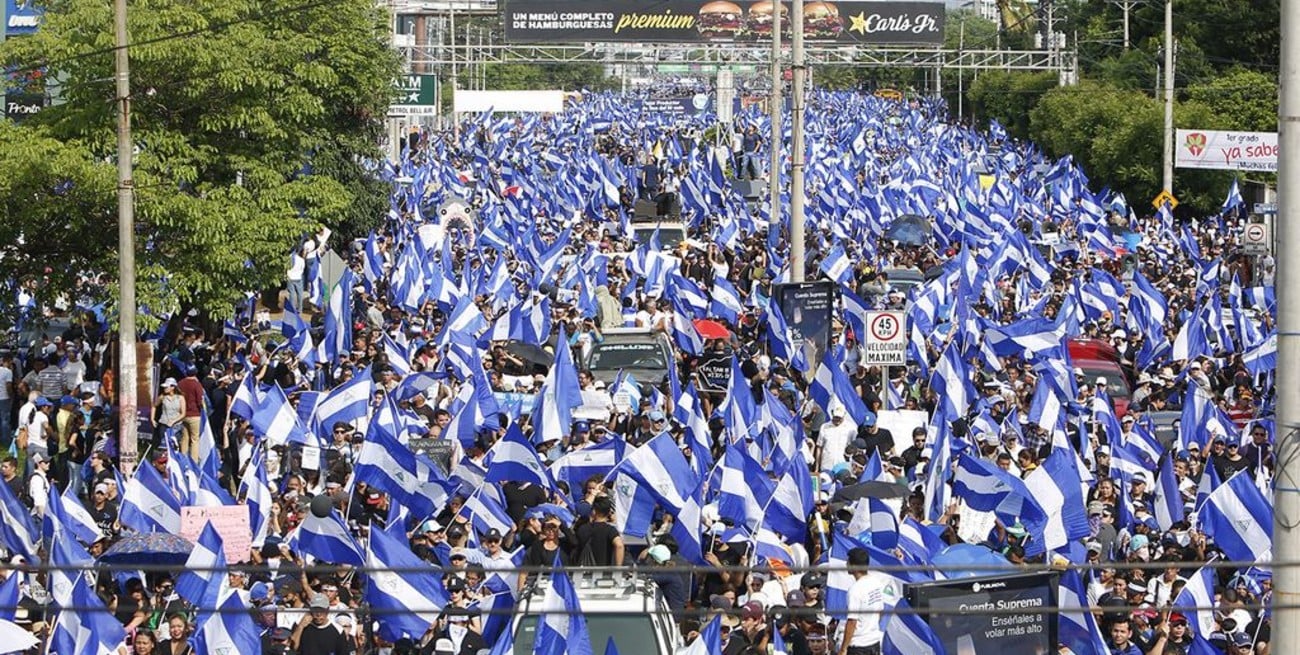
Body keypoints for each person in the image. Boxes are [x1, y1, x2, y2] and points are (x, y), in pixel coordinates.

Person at [838, 547, 896, 655]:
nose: (846, 564)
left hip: (858, 646)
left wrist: (843, 649)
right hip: (874, 642)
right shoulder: (876, 583)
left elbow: (852, 621)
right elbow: (880, 611)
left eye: (848, 562)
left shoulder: (855, 590)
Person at [573, 495, 624, 566]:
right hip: (604, 570)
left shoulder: (583, 529)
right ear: (609, 512)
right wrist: (618, 568)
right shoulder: (610, 530)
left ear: (594, 511)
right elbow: (619, 545)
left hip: (584, 570)